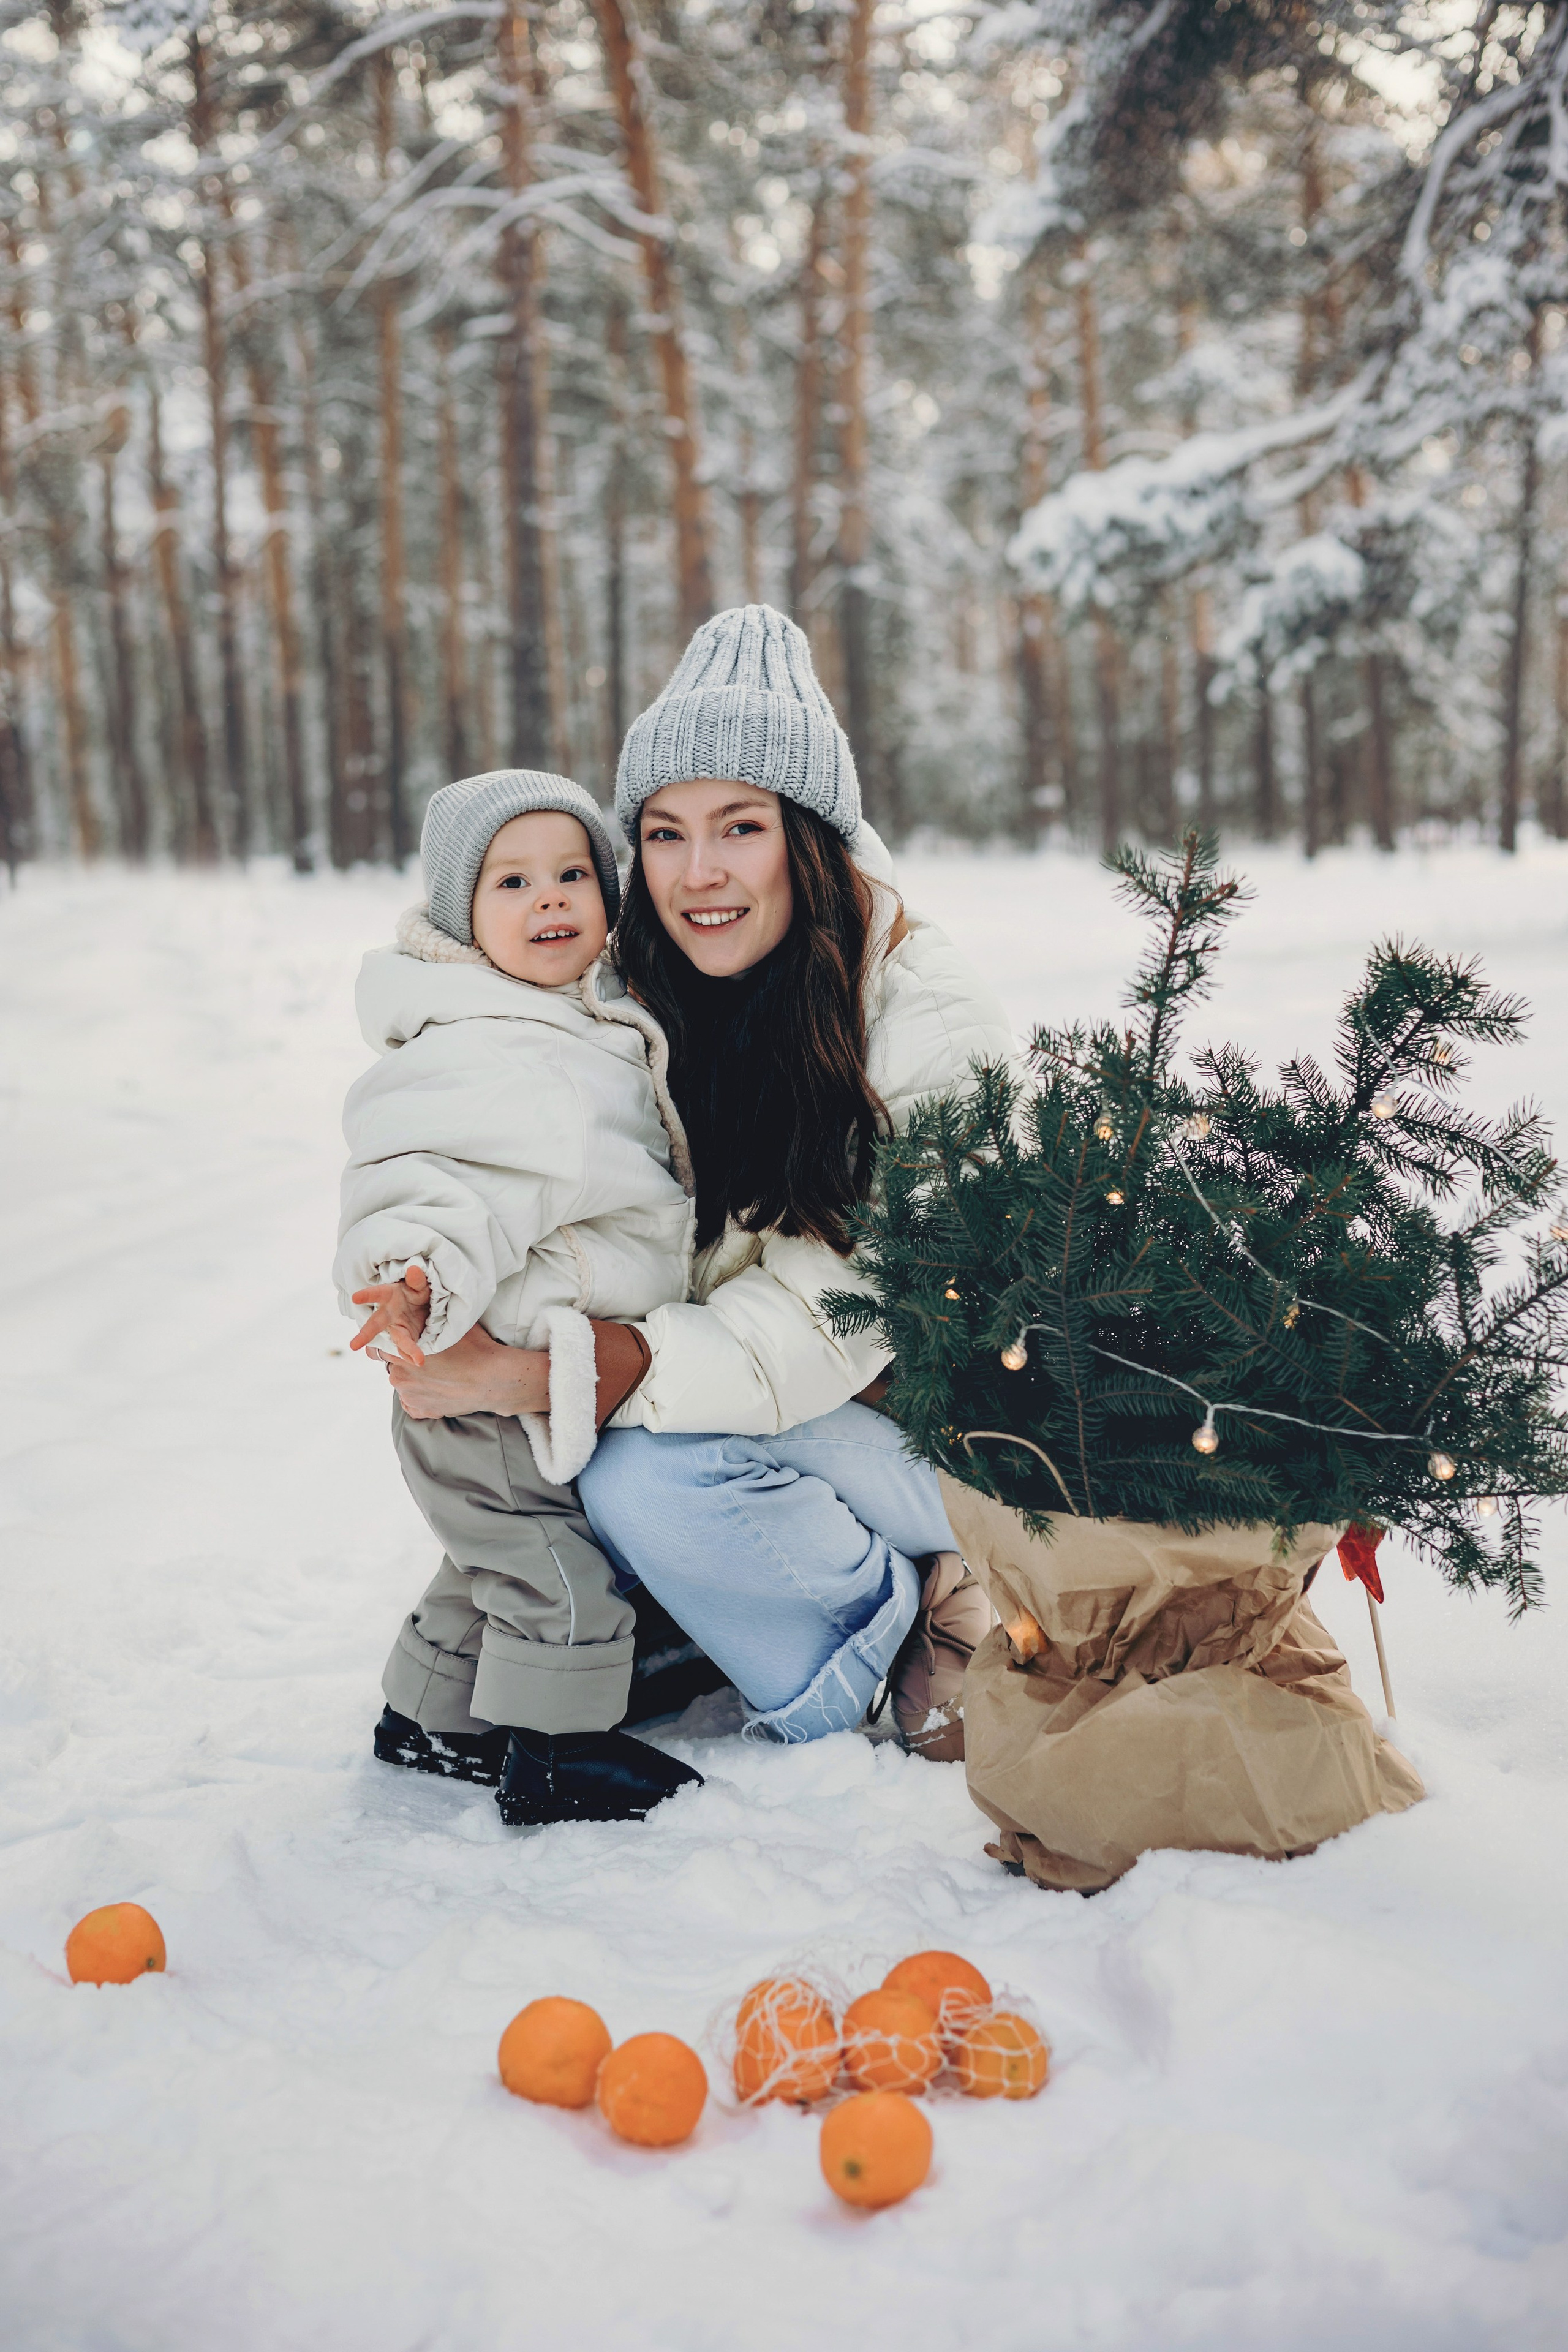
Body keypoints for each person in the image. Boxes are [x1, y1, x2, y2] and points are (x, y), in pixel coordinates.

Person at [384, 606, 1016, 1756]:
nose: (699, 872)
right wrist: (431, 1280)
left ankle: (882, 1640)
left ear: (809, 837)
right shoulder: (643, 992)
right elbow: (490, 1091)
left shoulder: (923, 1008)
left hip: (945, 1428)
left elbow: (842, 1312)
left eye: (740, 827)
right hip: (790, 1404)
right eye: (664, 835)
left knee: (640, 1471)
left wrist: (555, 1370)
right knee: (570, 1483)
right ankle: (713, 1611)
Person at [334, 769, 704, 1826]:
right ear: (462, 914)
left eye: (572, 874)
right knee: (550, 1567)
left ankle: (427, 1716)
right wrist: (415, 1276)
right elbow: (425, 1179)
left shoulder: (574, 1022)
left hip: (519, 1378)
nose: (550, 900)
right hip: (483, 1376)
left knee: (490, 1557)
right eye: (512, 882)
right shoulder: (487, 1047)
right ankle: (559, 1750)